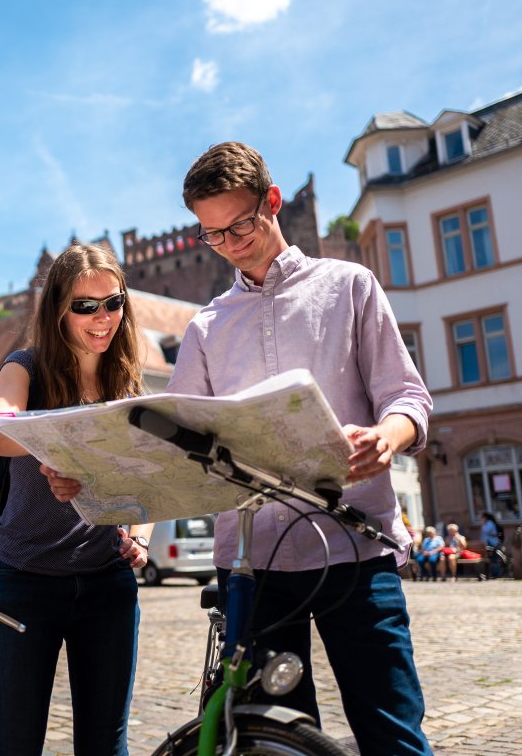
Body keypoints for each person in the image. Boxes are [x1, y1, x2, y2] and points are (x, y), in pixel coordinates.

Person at [166, 142, 434, 755]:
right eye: (213, 235)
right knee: (274, 745)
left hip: (356, 547)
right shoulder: (206, 326)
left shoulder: (349, 286)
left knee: (392, 734)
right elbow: (182, 436)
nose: (231, 244)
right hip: (252, 567)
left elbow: (408, 398)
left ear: (274, 201)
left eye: (240, 224)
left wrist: (386, 438)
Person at [0, 243, 152, 756]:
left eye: (113, 302)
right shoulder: (25, 367)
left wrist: (139, 537)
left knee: (106, 744)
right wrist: (60, 452)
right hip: (24, 579)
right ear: (59, 308)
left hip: (107, 584)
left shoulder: (125, 380)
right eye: (86, 306)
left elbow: (145, 479)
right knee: (15, 742)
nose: (103, 318)